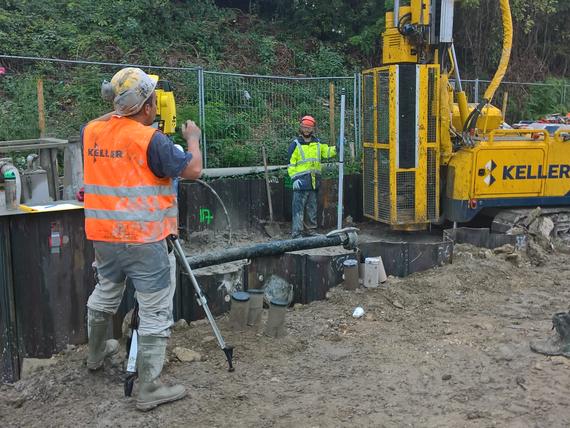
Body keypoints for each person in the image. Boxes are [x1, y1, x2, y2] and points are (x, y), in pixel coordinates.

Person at [82, 67, 202, 411]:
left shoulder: (91, 131)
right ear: (148, 105)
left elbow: (110, 120)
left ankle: (95, 355)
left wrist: (124, 110)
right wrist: (192, 138)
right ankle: (148, 388)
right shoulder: (152, 141)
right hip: (144, 239)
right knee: (154, 309)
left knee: (105, 292)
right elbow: (192, 170)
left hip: (104, 235)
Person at [287, 115, 337, 238]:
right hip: (300, 183)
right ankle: (297, 234)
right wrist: (294, 179)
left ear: (313, 128)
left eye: (309, 127)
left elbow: (327, 152)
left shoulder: (318, 144)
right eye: (304, 127)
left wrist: (338, 148)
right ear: (301, 128)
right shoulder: (295, 144)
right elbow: (290, 165)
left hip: (314, 182)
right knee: (298, 210)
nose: (307, 130)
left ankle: (311, 231)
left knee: (312, 208)